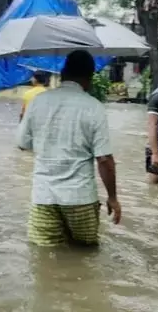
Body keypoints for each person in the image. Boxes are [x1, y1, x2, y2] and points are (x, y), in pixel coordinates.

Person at [17, 50, 120, 247]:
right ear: (89, 78)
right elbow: (104, 160)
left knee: (44, 261)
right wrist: (113, 198)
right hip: (80, 198)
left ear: (63, 73)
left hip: (43, 197)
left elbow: (22, 143)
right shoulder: (94, 107)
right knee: (86, 256)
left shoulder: (38, 101)